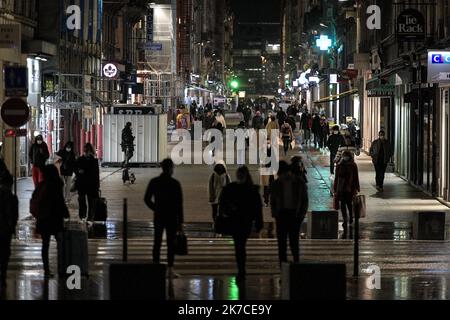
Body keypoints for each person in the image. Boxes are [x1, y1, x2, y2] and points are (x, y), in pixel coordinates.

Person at [219, 166, 263, 282]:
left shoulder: (231, 188)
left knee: (239, 246)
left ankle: (241, 269)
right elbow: (258, 208)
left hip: (236, 221)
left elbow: (223, 203)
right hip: (245, 222)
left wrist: (229, 211)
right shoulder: (252, 190)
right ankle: (241, 269)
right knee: (240, 245)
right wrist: (259, 223)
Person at [144, 159, 184, 278]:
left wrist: (155, 208)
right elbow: (179, 205)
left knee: (157, 242)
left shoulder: (155, 182)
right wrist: (181, 222)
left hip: (159, 216)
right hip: (172, 217)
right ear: (171, 168)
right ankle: (170, 269)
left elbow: (146, 199)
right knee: (170, 244)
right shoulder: (175, 183)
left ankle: (156, 267)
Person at [32, 165, 69, 277]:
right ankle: (61, 268)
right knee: (60, 245)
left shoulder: (41, 185)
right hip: (55, 219)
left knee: (45, 245)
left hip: (43, 219)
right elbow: (60, 202)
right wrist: (66, 214)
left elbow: (34, 199)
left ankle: (46, 270)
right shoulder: (56, 185)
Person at [270, 161, 308, 266]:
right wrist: (275, 213)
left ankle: (296, 262)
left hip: (294, 215)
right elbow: (273, 200)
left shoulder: (299, 182)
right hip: (281, 214)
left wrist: (301, 214)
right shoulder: (276, 183)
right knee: (282, 242)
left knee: (294, 241)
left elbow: (304, 199)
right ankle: (283, 265)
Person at [0, 163, 18, 287]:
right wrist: (12, 227)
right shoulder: (12, 198)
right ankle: (3, 274)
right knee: (5, 252)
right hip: (6, 230)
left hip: (4, 228)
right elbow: (14, 215)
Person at [333, 151, 360, 227]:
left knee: (349, 204)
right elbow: (336, 178)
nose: (345, 157)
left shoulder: (353, 165)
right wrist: (335, 188)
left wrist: (357, 188)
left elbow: (355, 177)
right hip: (341, 188)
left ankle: (351, 216)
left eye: (346, 156)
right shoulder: (339, 165)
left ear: (349, 157)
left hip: (350, 188)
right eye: (344, 156)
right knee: (342, 204)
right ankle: (345, 219)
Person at [74, 143, 100, 222]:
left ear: (90, 152)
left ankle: (90, 217)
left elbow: (96, 174)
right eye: (85, 151)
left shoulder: (94, 161)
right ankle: (82, 216)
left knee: (91, 202)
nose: (86, 153)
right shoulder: (80, 159)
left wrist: (97, 185)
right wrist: (78, 171)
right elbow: (75, 169)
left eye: (87, 151)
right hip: (81, 184)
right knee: (81, 200)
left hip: (91, 185)